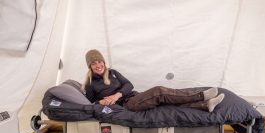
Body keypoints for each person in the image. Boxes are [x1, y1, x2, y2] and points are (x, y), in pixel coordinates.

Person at [82, 49, 225, 112]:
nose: (98, 65)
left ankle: (205, 104)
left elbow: (129, 85)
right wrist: (100, 102)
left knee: (165, 104)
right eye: (94, 63)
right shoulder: (89, 84)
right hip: (127, 105)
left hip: (133, 96)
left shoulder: (112, 72)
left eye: (100, 61)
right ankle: (202, 95)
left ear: (104, 62)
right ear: (90, 66)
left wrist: (116, 94)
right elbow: (88, 104)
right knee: (159, 91)